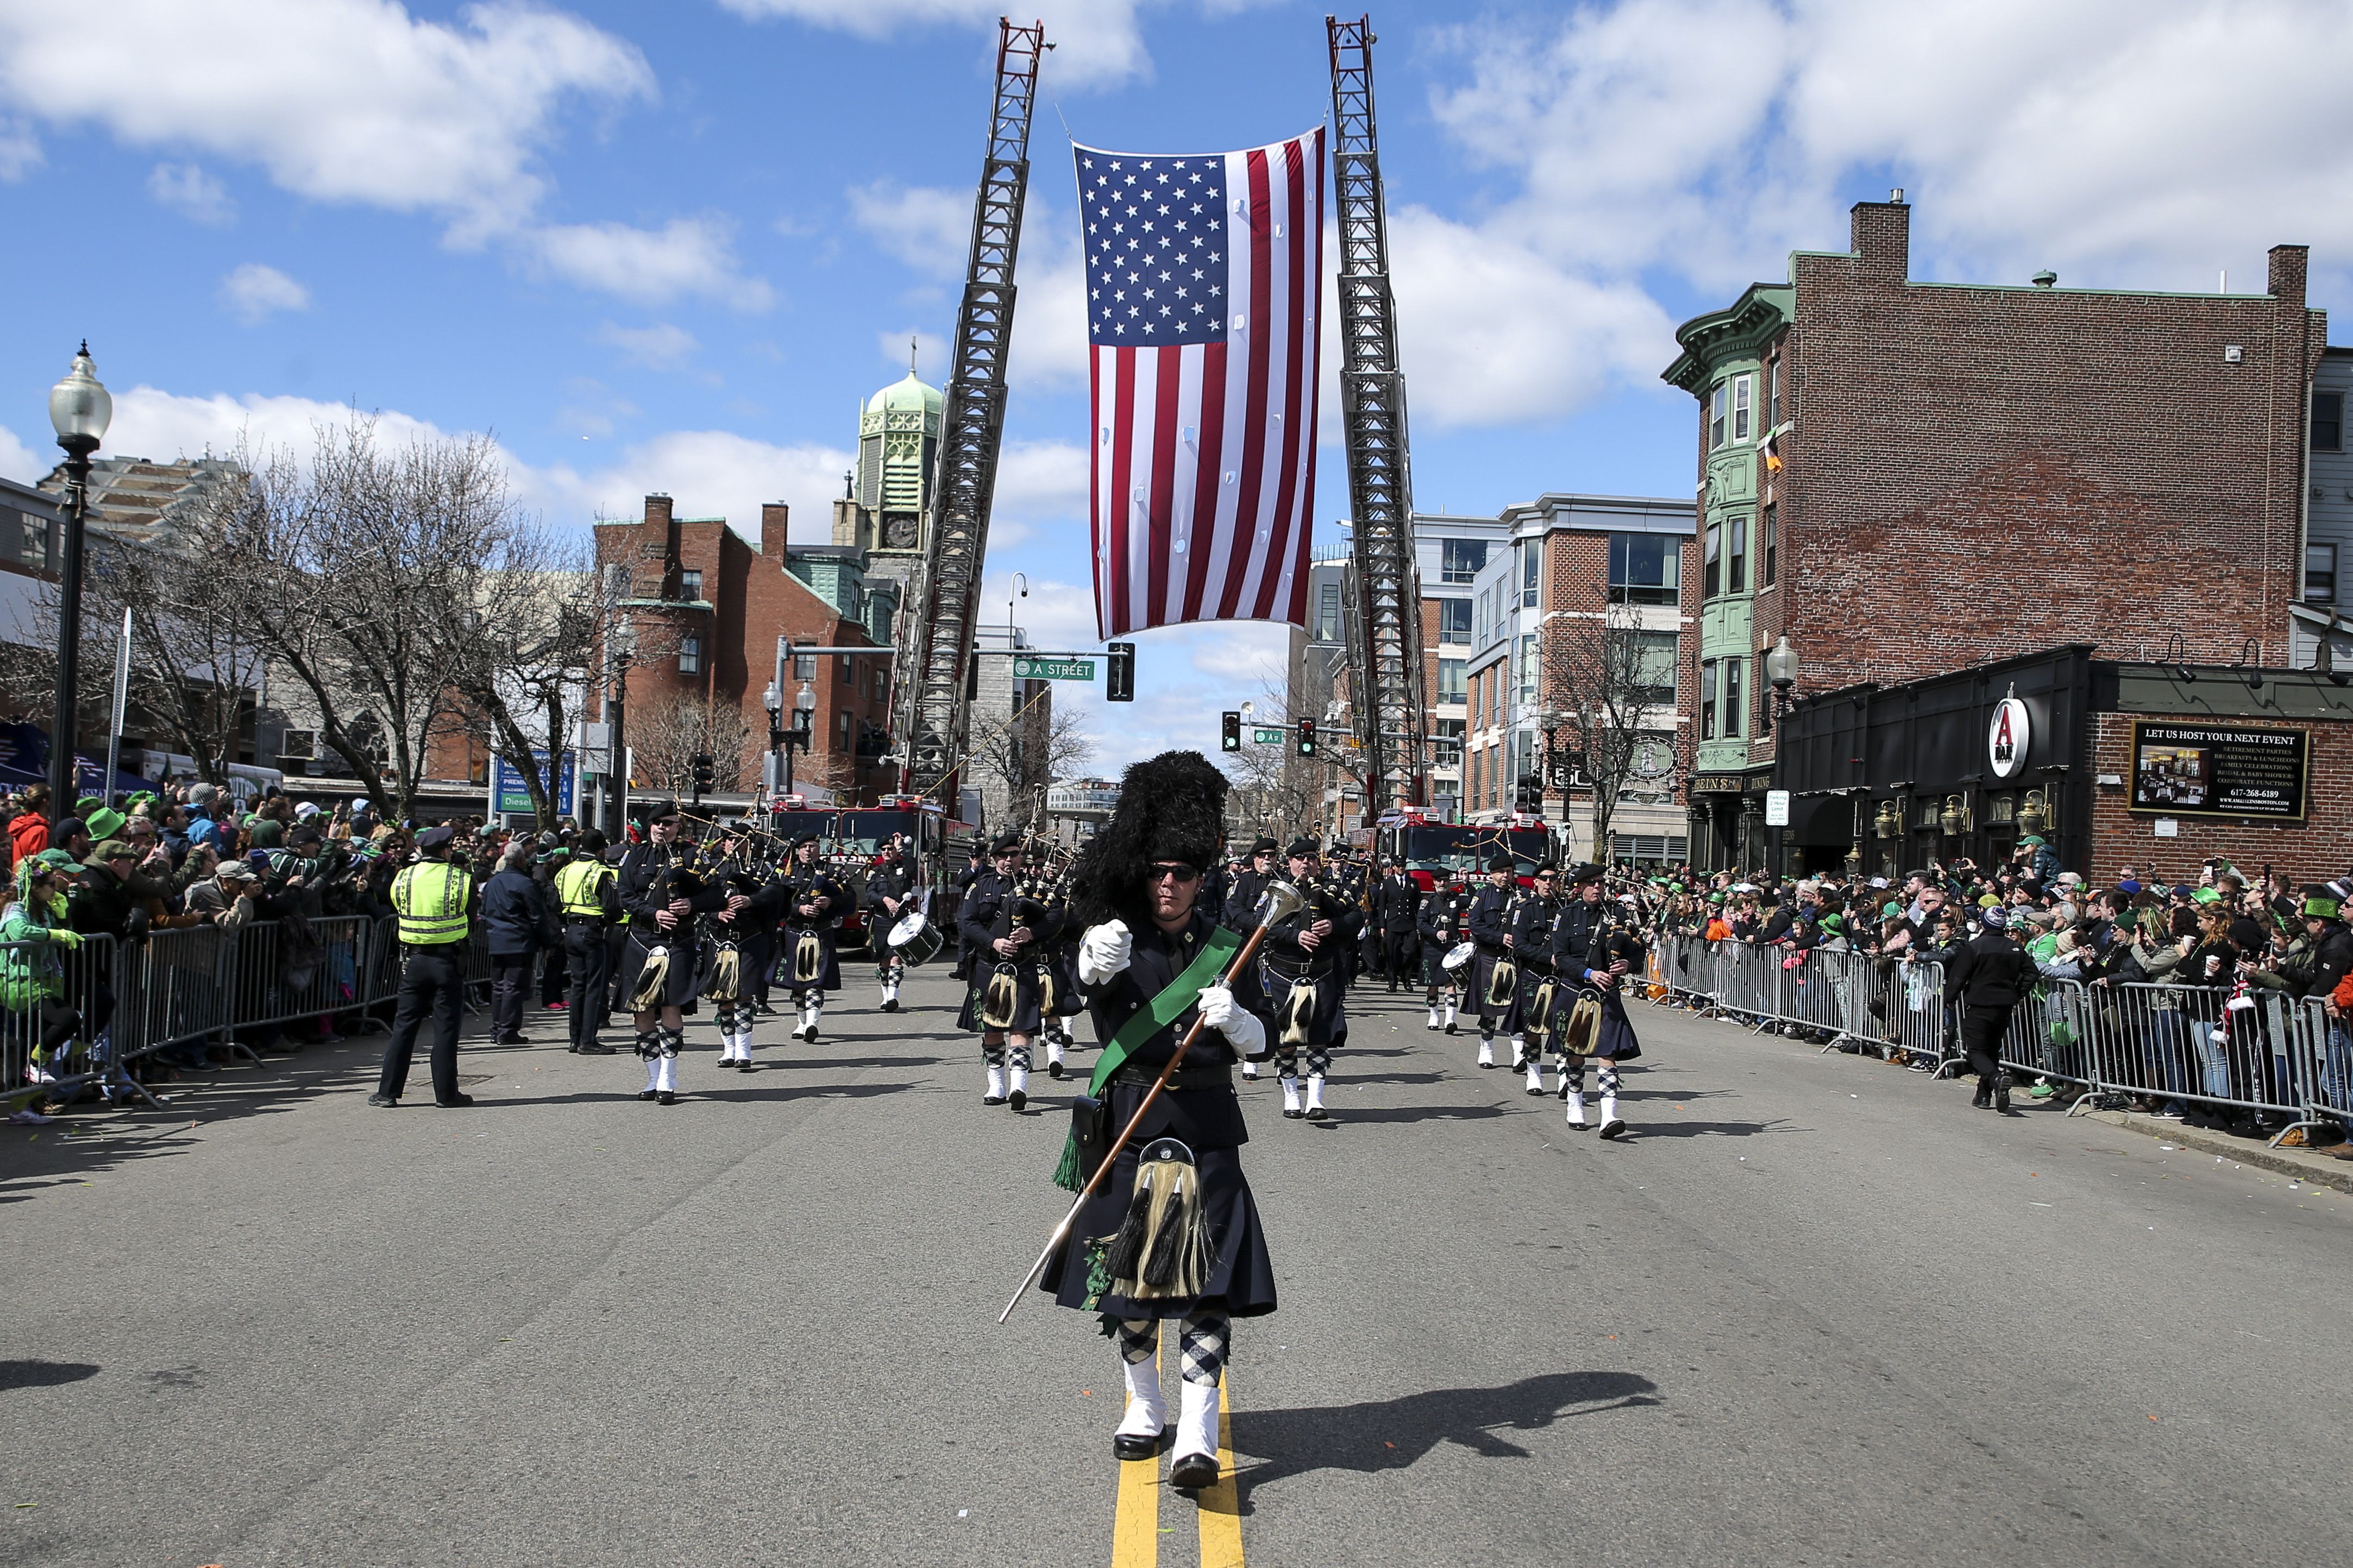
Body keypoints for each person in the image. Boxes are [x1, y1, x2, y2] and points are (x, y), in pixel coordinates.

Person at [1043, 750, 1276, 1494]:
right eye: (1156, 871)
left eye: (1180, 870)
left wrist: (1238, 1019)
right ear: (1139, 873)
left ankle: (1198, 1435)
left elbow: (1267, 1039)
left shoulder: (1228, 943)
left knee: (1204, 1291)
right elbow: (1079, 988)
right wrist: (1087, 961)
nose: (1167, 883)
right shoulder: (1112, 938)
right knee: (1133, 1287)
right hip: (1132, 1126)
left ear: (1201, 873)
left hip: (1206, 1130)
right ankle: (1143, 1407)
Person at [613, 804, 720, 1104]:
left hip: (678, 940)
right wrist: (654, 912)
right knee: (642, 1009)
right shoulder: (634, 856)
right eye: (658, 823)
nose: (663, 828)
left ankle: (668, 1078)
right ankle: (652, 1076)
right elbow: (625, 896)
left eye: (669, 823)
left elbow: (716, 895)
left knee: (672, 1006)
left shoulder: (693, 856)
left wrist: (692, 905)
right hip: (642, 938)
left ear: (678, 826)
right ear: (650, 826)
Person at [370, 826, 479, 1108]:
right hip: (448, 960)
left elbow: (395, 906)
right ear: (446, 850)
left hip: (413, 960)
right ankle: (446, 1094)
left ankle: (387, 1093)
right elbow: (471, 917)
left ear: (420, 850)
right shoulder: (461, 879)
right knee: (445, 1029)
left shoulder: (403, 877)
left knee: (404, 1027)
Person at [957, 833, 1060, 1107]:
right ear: (994, 859)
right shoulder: (981, 886)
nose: (1008, 860)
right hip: (989, 964)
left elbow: (1056, 917)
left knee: (1021, 1027)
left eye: (1014, 854)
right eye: (1002, 856)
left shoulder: (1038, 887)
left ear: (1021, 858)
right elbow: (966, 922)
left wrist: (1032, 932)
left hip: (1025, 964)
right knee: (992, 1029)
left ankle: (1018, 1088)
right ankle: (997, 1086)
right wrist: (994, 941)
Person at [1257, 837, 1354, 1120]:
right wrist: (1294, 935)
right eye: (1300, 859)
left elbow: (1357, 917)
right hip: (1284, 973)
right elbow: (1262, 927)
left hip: (1321, 973)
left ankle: (1316, 1100)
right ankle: (1291, 1096)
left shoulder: (1335, 891)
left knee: (1318, 1039)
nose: (1306, 863)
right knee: (1286, 1040)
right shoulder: (1277, 892)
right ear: (1289, 863)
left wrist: (1334, 925)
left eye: (1312, 858)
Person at [1552, 870, 1644, 1138]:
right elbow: (1561, 956)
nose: (1597, 888)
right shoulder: (1566, 916)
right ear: (1580, 886)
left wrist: (1629, 964)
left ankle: (1609, 1116)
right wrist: (1589, 973)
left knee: (1607, 1053)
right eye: (1592, 883)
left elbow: (1639, 950)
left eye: (1601, 883)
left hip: (1607, 994)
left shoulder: (1619, 915)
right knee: (1576, 1053)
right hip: (1575, 990)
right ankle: (1575, 1104)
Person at [1942, 904, 2031, 1112]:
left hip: (1981, 1004)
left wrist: (1950, 997)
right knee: (1990, 1049)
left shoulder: (1976, 946)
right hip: (2004, 1006)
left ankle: (1996, 1078)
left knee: (1975, 1051)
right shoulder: (2014, 948)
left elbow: (1959, 975)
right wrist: (2017, 992)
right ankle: (1984, 1094)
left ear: (1984, 923)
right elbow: (2031, 974)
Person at [553, 828, 620, 1054]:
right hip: (592, 932)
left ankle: (574, 1039)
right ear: (602, 849)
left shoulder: (566, 870)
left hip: (571, 930)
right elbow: (613, 907)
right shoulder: (600, 872)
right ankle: (588, 1040)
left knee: (577, 986)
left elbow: (553, 902)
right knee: (595, 987)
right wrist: (606, 922)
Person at [481, 841, 554, 1045]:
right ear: (522, 860)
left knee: (499, 987)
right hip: (518, 941)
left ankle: (498, 1028)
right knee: (513, 987)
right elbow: (537, 917)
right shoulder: (524, 883)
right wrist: (547, 943)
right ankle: (507, 1030)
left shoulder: (493, 883)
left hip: (497, 941)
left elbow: (485, 911)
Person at [779, 834, 846, 1044]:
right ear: (798, 850)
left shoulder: (832, 872)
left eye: (813, 846)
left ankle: (812, 1024)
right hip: (794, 931)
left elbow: (850, 900)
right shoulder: (786, 873)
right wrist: (798, 908)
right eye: (805, 847)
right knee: (798, 983)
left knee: (816, 982)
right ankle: (802, 1022)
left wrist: (831, 901)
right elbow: (774, 902)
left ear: (819, 849)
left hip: (821, 932)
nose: (809, 850)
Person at [1465, 854, 1520, 1069]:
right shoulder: (1482, 896)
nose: (1505, 876)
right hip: (1489, 957)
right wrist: (1500, 938)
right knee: (1489, 1010)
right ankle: (1486, 1049)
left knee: (1515, 1009)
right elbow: (1475, 925)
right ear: (1492, 875)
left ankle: (1519, 1053)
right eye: (1500, 872)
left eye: (1508, 872)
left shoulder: (1521, 898)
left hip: (1514, 960)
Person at [1417, 866, 1473, 1033]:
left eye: (1446, 880)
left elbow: (1475, 900)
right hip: (1433, 948)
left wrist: (1466, 882)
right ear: (1434, 882)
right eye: (1440, 880)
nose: (1443, 883)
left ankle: (1450, 1021)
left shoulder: (1456, 898)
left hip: (1451, 949)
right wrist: (1436, 933)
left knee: (1451, 984)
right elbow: (1421, 924)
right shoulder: (1427, 902)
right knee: (1433, 986)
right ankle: (1434, 1015)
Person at [865, 834, 918, 1012]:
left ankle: (893, 996)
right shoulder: (876, 872)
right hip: (882, 921)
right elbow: (870, 895)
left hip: (901, 922)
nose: (887, 852)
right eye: (884, 850)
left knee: (896, 957)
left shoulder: (905, 867)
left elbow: (914, 868)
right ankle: (886, 995)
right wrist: (885, 899)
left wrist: (902, 847)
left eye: (891, 849)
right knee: (884, 960)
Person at [1370, 858, 1422, 993]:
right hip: (1393, 923)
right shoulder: (1387, 884)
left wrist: (1419, 923)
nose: (1401, 868)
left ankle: (1406, 979)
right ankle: (1392, 982)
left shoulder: (1413, 883)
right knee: (1391, 955)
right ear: (1393, 867)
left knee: (1409, 953)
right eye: (1398, 865)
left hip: (1409, 923)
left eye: (1403, 865)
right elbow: (1382, 906)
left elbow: (1418, 905)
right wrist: (1382, 925)